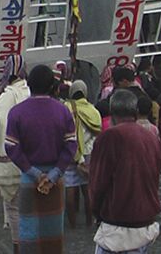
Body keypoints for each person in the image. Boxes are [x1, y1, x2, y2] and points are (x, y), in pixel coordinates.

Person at [5, 64, 77, 253]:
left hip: (29, 179)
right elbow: (71, 145)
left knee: (29, 236)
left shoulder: (17, 112)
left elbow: (11, 147)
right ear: (53, 86)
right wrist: (54, 174)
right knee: (53, 236)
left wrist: (35, 173)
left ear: (29, 85)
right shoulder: (63, 111)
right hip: (55, 180)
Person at [89, 89, 161, 254]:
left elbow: (98, 182)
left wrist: (96, 210)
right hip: (145, 220)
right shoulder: (150, 137)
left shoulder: (109, 137)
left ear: (112, 113)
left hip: (118, 222)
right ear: (136, 112)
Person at [0, 54, 30, 251]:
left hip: (10, 162)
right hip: (35, 163)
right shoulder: (30, 93)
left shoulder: (5, 98)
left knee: (14, 208)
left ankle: (17, 248)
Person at [63, 80, 101, 229]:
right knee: (88, 190)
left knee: (70, 188)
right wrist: (86, 150)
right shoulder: (93, 110)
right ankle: (89, 223)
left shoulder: (66, 109)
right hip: (89, 153)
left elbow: (63, 132)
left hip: (71, 152)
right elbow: (96, 134)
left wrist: (77, 153)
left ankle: (72, 225)